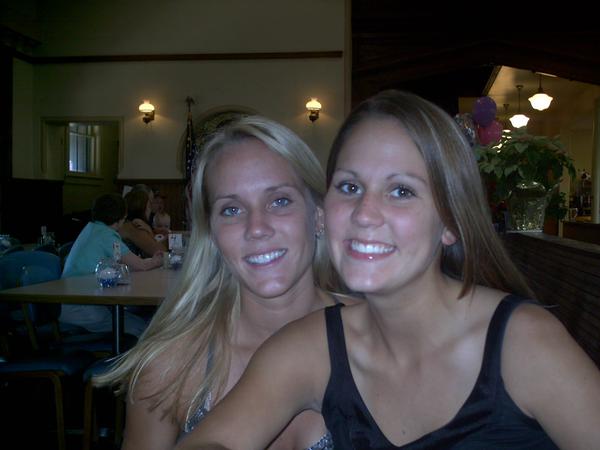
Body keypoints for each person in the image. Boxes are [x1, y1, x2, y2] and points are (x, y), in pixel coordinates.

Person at [175, 91, 600, 450]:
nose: (364, 213)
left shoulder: (523, 344)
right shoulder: (310, 348)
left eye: (400, 191)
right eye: (350, 187)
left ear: (451, 222)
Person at [96, 116, 355, 450]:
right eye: (232, 210)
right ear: (212, 234)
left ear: (318, 215)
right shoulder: (169, 367)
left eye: (279, 201)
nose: (257, 228)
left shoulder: (384, 337)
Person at [60, 193, 163, 337]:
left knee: (138, 322)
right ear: (121, 218)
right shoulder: (107, 235)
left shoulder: (91, 229)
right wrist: (158, 261)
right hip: (83, 307)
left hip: (72, 302)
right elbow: (140, 265)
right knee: (142, 328)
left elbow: (126, 264)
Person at [119, 189, 168, 258]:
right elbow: (161, 252)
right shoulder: (135, 225)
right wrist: (150, 231)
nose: (150, 210)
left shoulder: (128, 223)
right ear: (143, 208)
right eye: (149, 206)